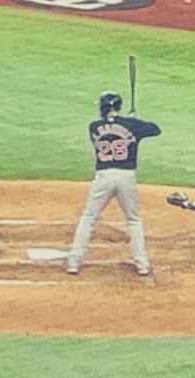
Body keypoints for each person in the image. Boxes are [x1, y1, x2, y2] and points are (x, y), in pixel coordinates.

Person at [65, 90, 158, 278]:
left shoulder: (94, 126)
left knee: (89, 218)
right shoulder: (132, 125)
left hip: (104, 176)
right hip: (126, 177)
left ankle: (74, 262)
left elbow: (112, 131)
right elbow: (155, 129)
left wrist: (131, 123)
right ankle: (142, 264)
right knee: (133, 220)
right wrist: (137, 121)